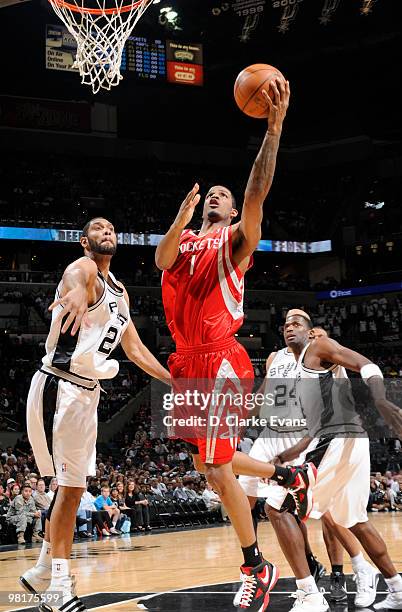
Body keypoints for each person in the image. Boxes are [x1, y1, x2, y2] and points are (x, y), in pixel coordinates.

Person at [156, 80, 315, 612]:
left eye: (225, 195)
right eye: (214, 194)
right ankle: (287, 475)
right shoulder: (184, 244)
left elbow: (255, 194)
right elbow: (160, 261)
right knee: (209, 469)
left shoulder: (235, 240)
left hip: (222, 357)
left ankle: (256, 566)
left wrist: (272, 130)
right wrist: (180, 221)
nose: (220, 196)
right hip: (187, 363)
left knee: (220, 469)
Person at [20, 217, 171, 612]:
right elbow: (76, 277)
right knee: (68, 490)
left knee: (73, 489)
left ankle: (41, 570)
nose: (107, 231)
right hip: (62, 384)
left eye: (112, 228)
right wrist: (71, 294)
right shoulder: (82, 270)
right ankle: (58, 585)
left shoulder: (120, 292)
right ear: (85, 241)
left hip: (88, 394)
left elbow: (135, 350)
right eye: (98, 229)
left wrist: (171, 379)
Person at [279, 309, 402, 611]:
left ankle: (310, 594)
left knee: (280, 507)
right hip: (343, 439)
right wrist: (292, 452)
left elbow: (367, 364)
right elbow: (317, 422)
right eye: (285, 325)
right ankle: (397, 589)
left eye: (296, 324)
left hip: (339, 439)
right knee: (355, 520)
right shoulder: (298, 370)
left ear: (310, 332)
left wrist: (380, 398)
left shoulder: (319, 347)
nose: (288, 328)